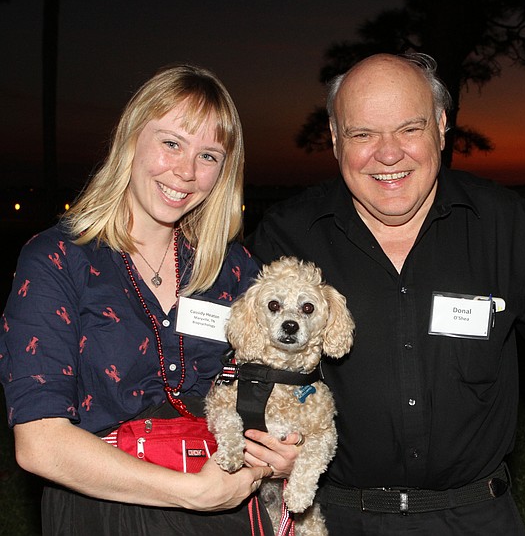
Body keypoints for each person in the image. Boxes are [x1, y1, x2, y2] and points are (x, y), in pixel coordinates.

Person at [246, 52, 525, 535]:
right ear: (335, 139)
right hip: (332, 519)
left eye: (409, 129)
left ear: (440, 127)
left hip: (476, 519)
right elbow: (227, 360)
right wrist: (259, 439)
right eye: (363, 134)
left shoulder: (501, 223)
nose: (388, 154)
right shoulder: (287, 235)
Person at [0, 64, 300, 534]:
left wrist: (280, 454)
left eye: (208, 156)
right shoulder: (57, 260)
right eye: (171, 143)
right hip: (105, 511)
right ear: (131, 138)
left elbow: (279, 387)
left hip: (224, 509)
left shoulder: (235, 270)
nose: (186, 172)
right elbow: (39, 443)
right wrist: (191, 492)